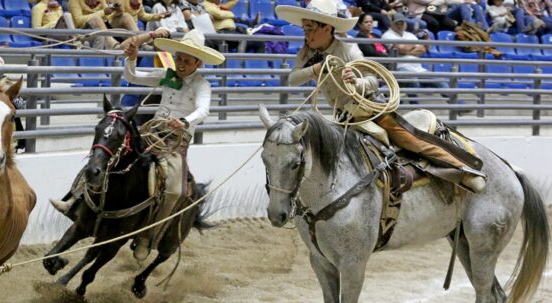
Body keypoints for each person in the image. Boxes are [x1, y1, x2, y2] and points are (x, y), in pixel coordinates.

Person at [275, 0, 486, 192]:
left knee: (410, 140)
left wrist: (357, 82)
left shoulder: (348, 48)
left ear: (327, 28)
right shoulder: (306, 53)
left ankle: (464, 171)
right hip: (342, 116)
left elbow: (373, 80)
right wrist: (317, 69)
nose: (307, 35)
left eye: (310, 29)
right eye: (305, 29)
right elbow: (293, 78)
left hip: (369, 109)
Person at [51, 29, 225, 260]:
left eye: (186, 61)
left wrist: (184, 121)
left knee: (175, 189)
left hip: (175, 142)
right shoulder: (168, 74)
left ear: (197, 63)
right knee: (106, 152)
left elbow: (203, 109)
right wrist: (131, 58)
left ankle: (147, 237)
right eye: (179, 58)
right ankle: (75, 200)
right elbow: (133, 76)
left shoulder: (202, 85)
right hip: (150, 132)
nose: (181, 64)